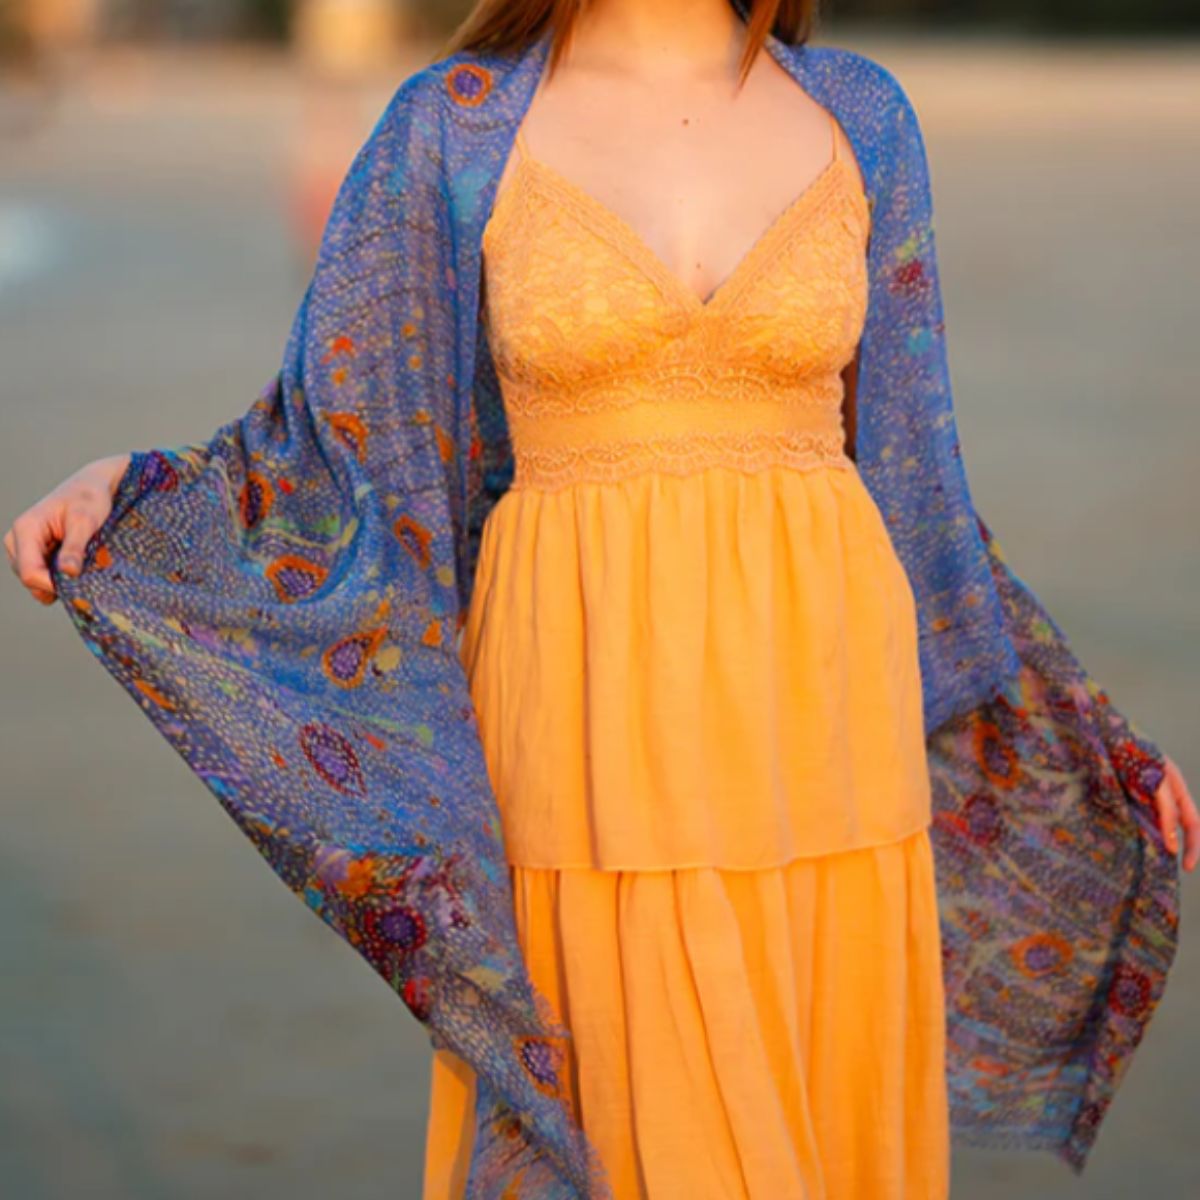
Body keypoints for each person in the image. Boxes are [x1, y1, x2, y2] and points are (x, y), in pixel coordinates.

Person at [5, 2, 1195, 1197]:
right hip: (583, 708)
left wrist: (1084, 733)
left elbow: (919, 482)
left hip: (828, 716)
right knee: (629, 1123)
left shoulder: (861, 114)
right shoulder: (453, 127)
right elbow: (332, 434)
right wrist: (146, 491)